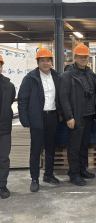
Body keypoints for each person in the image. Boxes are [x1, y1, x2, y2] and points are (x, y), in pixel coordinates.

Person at [18, 48, 63, 192]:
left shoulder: (57, 76)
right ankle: (35, 179)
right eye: (42, 60)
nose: (45, 63)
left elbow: (60, 98)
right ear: (37, 62)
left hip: (52, 117)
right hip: (37, 118)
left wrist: (61, 114)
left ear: (51, 62)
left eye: (48, 60)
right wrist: (25, 120)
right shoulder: (30, 78)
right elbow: (22, 100)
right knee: (35, 150)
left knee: (50, 148)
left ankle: (48, 175)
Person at [59, 44, 96, 186]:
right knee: (74, 147)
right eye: (80, 56)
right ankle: (74, 174)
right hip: (76, 116)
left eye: (85, 56)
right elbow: (63, 98)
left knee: (84, 145)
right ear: (75, 57)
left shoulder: (90, 73)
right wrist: (69, 116)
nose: (83, 59)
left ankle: (82, 170)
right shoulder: (67, 75)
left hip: (89, 115)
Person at [0, 55, 15, 199]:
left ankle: (2, 185)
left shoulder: (9, 85)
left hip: (4, 128)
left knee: (3, 158)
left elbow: (10, 102)